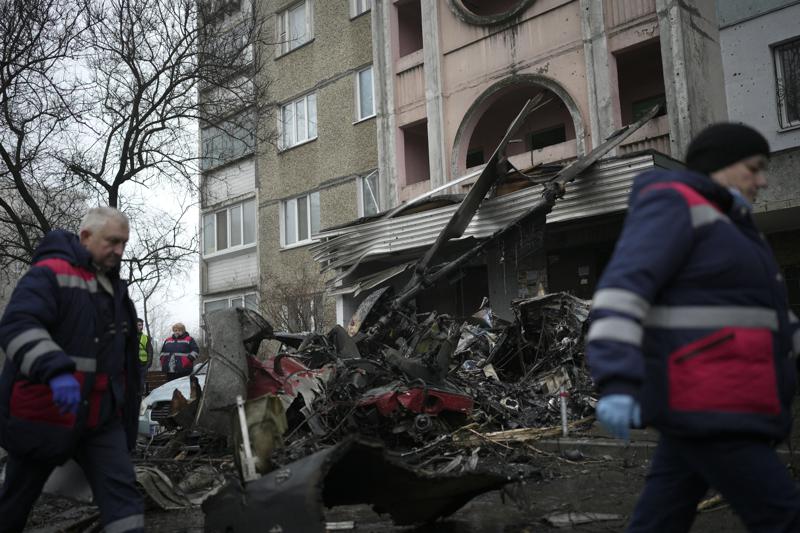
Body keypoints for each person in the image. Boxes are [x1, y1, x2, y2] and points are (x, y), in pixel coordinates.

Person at [586, 122, 800, 532]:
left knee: (660, 519)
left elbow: (766, 316)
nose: (763, 180)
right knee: (783, 516)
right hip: (714, 398)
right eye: (754, 168)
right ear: (722, 166)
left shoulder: (733, 226)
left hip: (707, 398)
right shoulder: (676, 205)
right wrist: (616, 379)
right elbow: (622, 291)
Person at [0, 207, 144, 532]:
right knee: (14, 505)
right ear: (86, 237)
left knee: (125, 503)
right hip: (46, 414)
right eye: (112, 241)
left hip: (100, 421)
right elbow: (18, 326)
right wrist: (55, 370)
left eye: (124, 243)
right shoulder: (49, 274)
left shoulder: (114, 289)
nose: (120, 251)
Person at [137, 318, 153, 397]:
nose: (139, 327)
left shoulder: (145, 337)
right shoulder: (128, 336)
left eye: (140, 325)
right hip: (131, 365)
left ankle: (139, 399)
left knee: (141, 383)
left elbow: (150, 351)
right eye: (137, 325)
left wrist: (148, 363)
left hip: (143, 364)